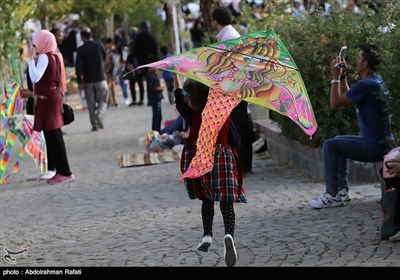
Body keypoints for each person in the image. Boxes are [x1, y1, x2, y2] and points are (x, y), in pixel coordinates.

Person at [308, 43, 395, 209]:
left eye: (359, 57)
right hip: (383, 142)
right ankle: (342, 191)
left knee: (330, 145)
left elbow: (335, 103)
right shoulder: (375, 82)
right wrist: (342, 78)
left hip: (374, 146)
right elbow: (348, 97)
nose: (355, 60)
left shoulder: (367, 85)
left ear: (365, 64)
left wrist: (334, 77)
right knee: (337, 141)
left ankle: (332, 194)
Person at [173, 73, 246, 267]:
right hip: (222, 160)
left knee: (207, 200)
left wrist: (175, 75)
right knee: (226, 202)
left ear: (192, 99)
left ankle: (207, 235)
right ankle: (229, 234)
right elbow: (236, 139)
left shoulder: (192, 114)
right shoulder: (220, 112)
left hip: (201, 160)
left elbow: (179, 99)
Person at [20, 29, 75, 185]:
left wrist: (31, 60)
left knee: (54, 136)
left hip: (48, 100)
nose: (34, 45)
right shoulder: (55, 55)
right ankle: (59, 170)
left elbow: (36, 77)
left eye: (36, 41)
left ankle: (65, 172)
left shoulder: (45, 57)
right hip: (50, 98)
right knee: (53, 135)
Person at [212, 6, 255, 174]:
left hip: (235, 90)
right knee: (239, 126)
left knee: (240, 127)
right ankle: (242, 163)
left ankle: (243, 165)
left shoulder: (228, 38)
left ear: (215, 21)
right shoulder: (230, 35)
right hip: (236, 88)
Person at [75, 27, 109, 131]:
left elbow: (78, 66)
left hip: (88, 80)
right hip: (101, 78)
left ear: (82, 36)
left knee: (90, 103)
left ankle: (94, 125)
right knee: (103, 99)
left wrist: (79, 80)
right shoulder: (99, 45)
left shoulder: (81, 49)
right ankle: (100, 115)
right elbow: (105, 58)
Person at [133, 20, 158, 106]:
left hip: (140, 62)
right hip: (150, 62)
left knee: (140, 81)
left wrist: (131, 60)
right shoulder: (152, 38)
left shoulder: (138, 37)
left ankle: (141, 98)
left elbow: (134, 50)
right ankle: (150, 99)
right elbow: (155, 51)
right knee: (150, 81)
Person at [146, 56, 164, 132]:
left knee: (159, 116)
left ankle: (157, 130)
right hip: (155, 98)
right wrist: (159, 89)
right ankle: (155, 131)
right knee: (156, 116)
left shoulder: (153, 74)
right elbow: (150, 87)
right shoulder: (150, 75)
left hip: (158, 97)